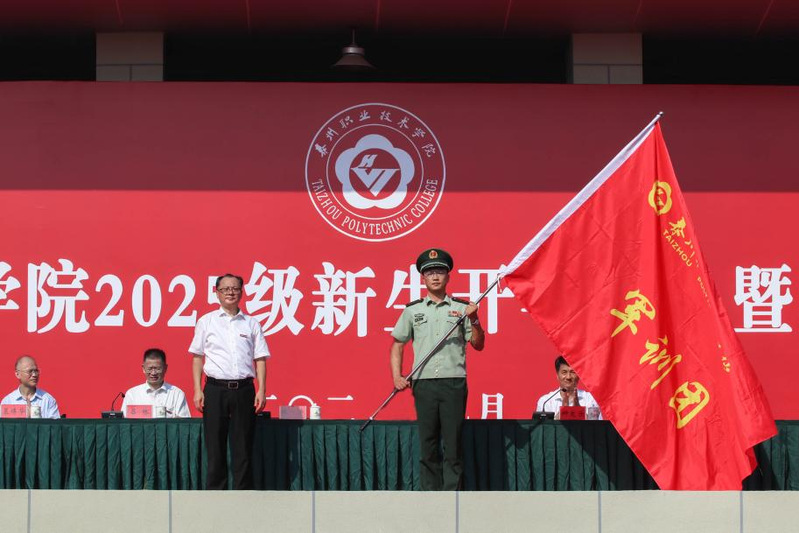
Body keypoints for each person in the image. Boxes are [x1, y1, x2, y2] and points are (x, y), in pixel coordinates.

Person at [390, 248, 485, 491]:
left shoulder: (462, 308)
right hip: (423, 382)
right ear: (423, 278)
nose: (435, 276)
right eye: (430, 272)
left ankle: (452, 497)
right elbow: (398, 344)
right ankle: (430, 497)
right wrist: (397, 376)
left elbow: (478, 344)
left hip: (453, 381)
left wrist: (474, 319)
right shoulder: (413, 310)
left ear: (448, 276)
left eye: (440, 272)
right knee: (428, 443)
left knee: (453, 443)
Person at [189, 273, 269, 490]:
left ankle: (243, 494)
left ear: (241, 292)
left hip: (244, 389)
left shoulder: (251, 323)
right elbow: (197, 357)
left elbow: (260, 359)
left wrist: (261, 389)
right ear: (216, 293)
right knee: (215, 446)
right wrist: (197, 389)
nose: (230, 293)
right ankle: (216, 495)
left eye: (235, 289)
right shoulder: (206, 321)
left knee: (243, 446)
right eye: (225, 289)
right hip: (215, 389)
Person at [121, 348, 190, 418]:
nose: (153, 373)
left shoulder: (176, 394)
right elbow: (124, 422)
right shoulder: (132, 394)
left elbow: (185, 422)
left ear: (165, 368)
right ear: (143, 368)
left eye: (158, 369)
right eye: (150, 369)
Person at [535, 355, 602, 419]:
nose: (568, 377)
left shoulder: (590, 399)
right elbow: (543, 426)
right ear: (557, 375)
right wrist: (562, 413)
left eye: (572, 372)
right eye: (564, 372)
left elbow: (597, 425)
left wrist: (579, 412)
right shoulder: (546, 401)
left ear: (578, 375)